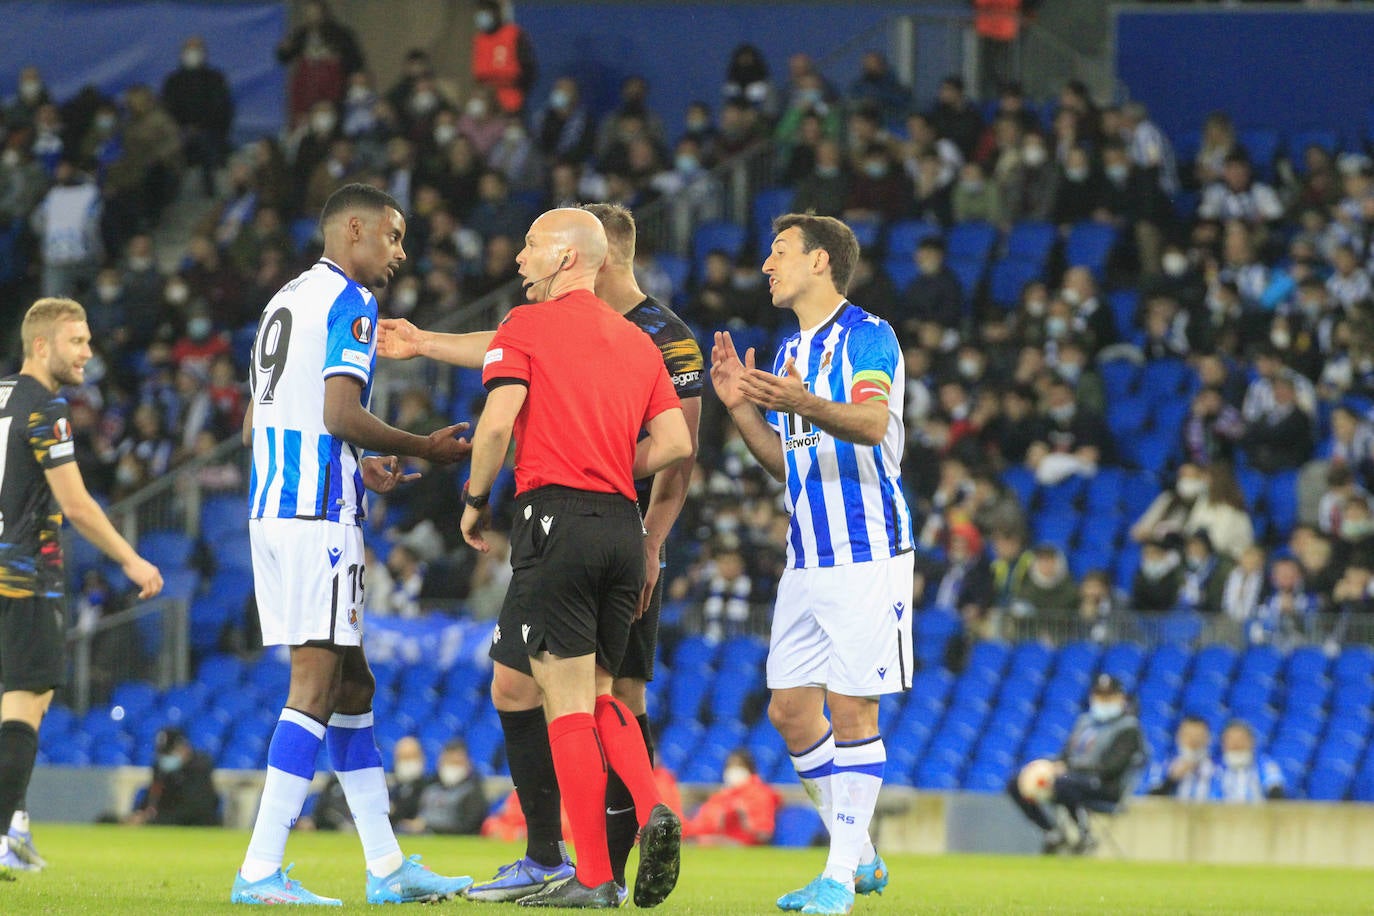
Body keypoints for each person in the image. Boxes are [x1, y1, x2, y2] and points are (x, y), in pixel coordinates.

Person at [377, 202, 704, 902]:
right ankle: (652, 808)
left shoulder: (528, 326)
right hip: (624, 527)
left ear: (565, 258)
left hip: (555, 519)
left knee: (565, 710)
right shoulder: (638, 344)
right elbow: (678, 447)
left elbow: (496, 424)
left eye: (530, 246)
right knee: (605, 693)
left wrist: (473, 500)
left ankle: (587, 876)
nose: (519, 259)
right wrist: (616, 458)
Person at [231, 184, 474, 906]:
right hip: (316, 517)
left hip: (274, 506)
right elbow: (342, 409)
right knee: (313, 686)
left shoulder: (283, 300)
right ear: (356, 230)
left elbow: (264, 423)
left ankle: (387, 865)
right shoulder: (351, 302)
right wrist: (421, 447)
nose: (400, 254)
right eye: (394, 238)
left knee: (353, 684)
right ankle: (259, 870)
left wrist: (357, 462)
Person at [710, 213, 914, 915]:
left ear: (820, 262)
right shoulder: (790, 348)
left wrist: (798, 400)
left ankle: (837, 879)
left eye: (780, 252)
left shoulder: (868, 335)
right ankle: (859, 855)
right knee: (792, 712)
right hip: (807, 555)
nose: (767, 265)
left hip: (867, 549)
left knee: (852, 708)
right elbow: (788, 464)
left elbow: (870, 423)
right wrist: (741, 410)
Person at [0, 297, 164, 876]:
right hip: (24, 577)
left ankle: (15, 825)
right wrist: (131, 560)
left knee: (17, 708)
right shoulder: (47, 409)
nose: (89, 353)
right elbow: (75, 504)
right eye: (78, 341)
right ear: (41, 345)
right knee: (26, 701)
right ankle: (3, 832)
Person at [1007, 674, 1145, 855]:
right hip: (1072, 778)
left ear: (1120, 698)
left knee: (1063, 782)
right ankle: (1051, 832)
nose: (1102, 701)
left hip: (1105, 785)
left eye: (1108, 696)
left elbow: (1113, 767)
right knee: (1018, 782)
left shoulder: (1128, 728)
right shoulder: (1085, 722)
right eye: (1099, 696)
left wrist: (1069, 769)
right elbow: (1066, 755)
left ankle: (1084, 834)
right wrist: (1051, 765)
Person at [161, 35, 234, 197]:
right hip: (179, 134)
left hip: (209, 133)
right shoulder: (173, 81)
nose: (192, 53)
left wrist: (200, 127)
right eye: (189, 49)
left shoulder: (215, 79)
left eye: (196, 49)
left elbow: (222, 110)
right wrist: (183, 128)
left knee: (207, 148)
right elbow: (167, 111)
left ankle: (211, 195)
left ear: (204, 53)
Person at [124, 727, 222, 827]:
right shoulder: (160, 768)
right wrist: (141, 813)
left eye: (168, 753)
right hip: (168, 820)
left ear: (183, 747)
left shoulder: (200, 767)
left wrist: (152, 821)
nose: (164, 757)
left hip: (199, 825)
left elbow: (192, 809)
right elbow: (154, 794)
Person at [682, 749, 781, 846]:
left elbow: (763, 834)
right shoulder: (722, 795)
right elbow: (701, 825)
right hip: (711, 842)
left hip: (741, 847)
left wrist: (744, 817)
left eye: (739, 766)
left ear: (749, 769)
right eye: (729, 766)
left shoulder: (760, 794)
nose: (733, 770)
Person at [400, 740, 488, 836]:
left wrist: (429, 826)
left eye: (456, 763)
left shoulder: (472, 791)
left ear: (468, 764)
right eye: (448, 762)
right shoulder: (429, 786)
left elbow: (469, 826)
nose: (452, 767)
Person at [471, 0, 537, 115]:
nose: (482, 16)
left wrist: (519, 91)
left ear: (496, 13)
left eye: (485, 12)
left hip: (512, 104)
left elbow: (529, 69)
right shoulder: (479, 39)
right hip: (487, 107)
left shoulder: (513, 34)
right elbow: (478, 76)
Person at [1211, 721, 1285, 803]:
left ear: (1252, 741)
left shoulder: (1264, 764)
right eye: (1231, 739)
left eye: (1241, 739)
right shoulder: (1212, 766)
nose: (1236, 744)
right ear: (1223, 743)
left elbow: (1275, 790)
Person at [1145, 716, 1215, 802]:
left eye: (1198, 736)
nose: (1193, 740)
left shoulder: (1217, 767)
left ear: (1208, 738)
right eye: (1188, 735)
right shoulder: (1163, 765)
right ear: (1178, 736)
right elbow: (1148, 799)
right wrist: (1171, 780)